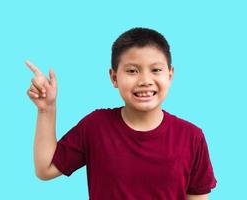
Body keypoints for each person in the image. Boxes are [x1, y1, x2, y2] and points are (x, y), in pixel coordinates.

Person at [25, 27, 217, 200]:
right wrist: (46, 109)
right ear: (114, 77)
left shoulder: (192, 137)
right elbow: (45, 168)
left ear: (170, 75)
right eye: (132, 71)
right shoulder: (95, 126)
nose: (145, 80)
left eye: (156, 70)